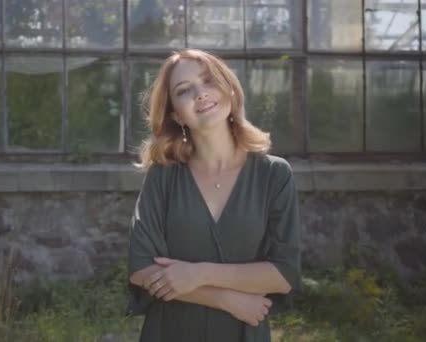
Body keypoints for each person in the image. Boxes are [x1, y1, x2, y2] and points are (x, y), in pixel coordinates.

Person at [127, 49, 302, 342]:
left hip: (244, 334)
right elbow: (141, 268)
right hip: (170, 331)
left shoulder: (274, 174)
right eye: (184, 90)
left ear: (229, 89)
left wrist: (198, 274)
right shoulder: (163, 175)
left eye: (208, 81)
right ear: (175, 114)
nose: (200, 94)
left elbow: (283, 274)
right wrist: (228, 300)